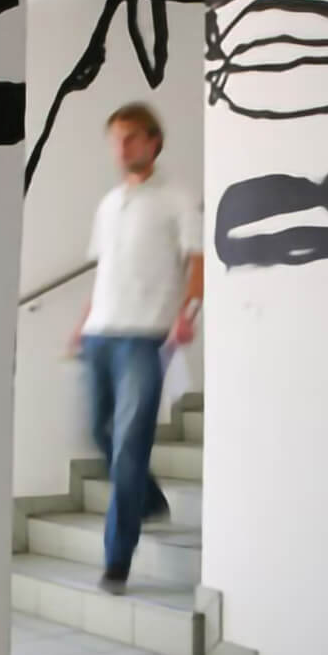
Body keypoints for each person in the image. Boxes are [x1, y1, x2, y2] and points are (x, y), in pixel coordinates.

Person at [69, 102, 203, 593]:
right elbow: (105, 271)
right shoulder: (109, 204)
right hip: (99, 336)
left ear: (153, 141)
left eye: (130, 138)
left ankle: (117, 559)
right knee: (97, 433)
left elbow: (198, 262)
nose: (122, 148)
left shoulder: (177, 199)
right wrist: (81, 325)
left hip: (145, 339)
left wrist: (187, 315)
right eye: (116, 140)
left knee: (129, 446)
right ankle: (146, 499)